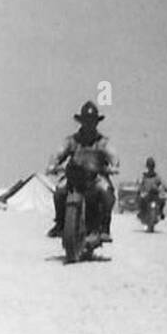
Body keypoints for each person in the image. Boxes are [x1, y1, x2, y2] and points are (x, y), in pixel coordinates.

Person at [47, 101, 118, 239]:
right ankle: (60, 223)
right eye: (86, 120)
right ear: (81, 122)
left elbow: (112, 154)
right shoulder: (73, 140)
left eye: (92, 121)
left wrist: (114, 165)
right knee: (60, 191)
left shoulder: (102, 142)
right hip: (74, 176)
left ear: (96, 122)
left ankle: (104, 227)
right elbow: (59, 152)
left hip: (95, 177)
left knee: (107, 193)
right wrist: (53, 164)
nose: (89, 124)